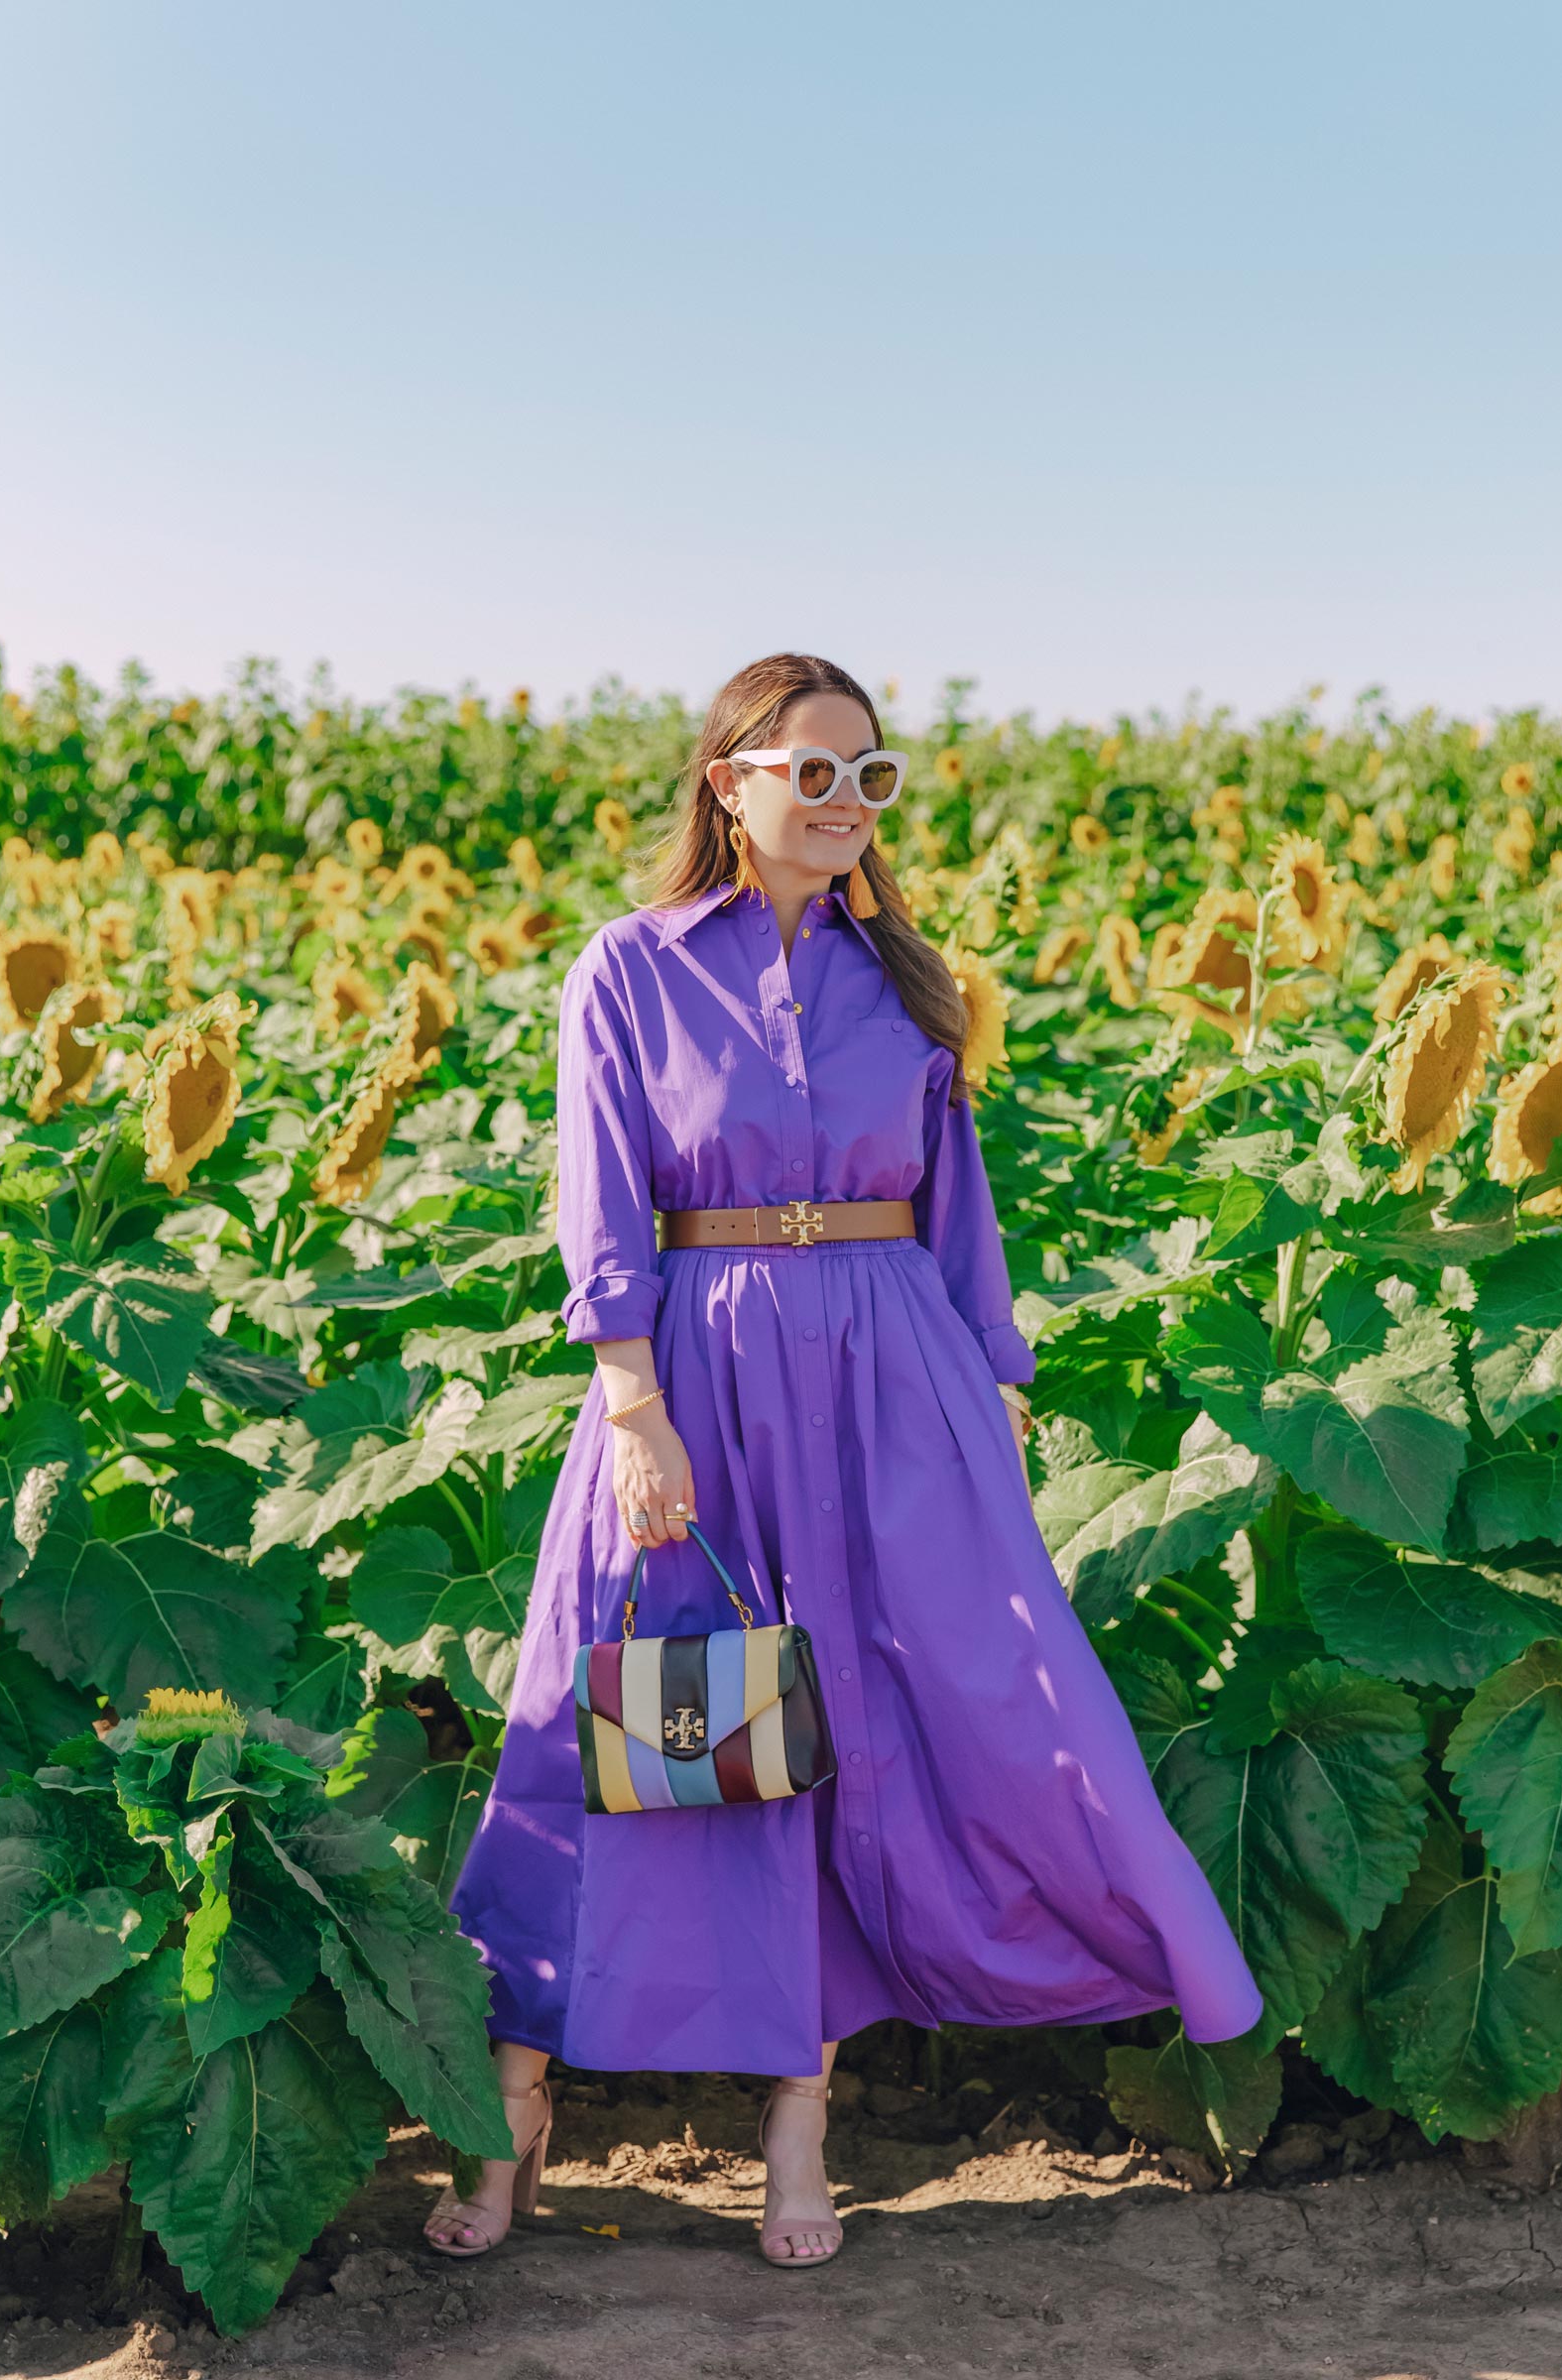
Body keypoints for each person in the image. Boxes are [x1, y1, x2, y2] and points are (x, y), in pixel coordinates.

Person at [427, 653, 1263, 2269]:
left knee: (864, 1725)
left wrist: (992, 1392)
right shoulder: (630, 969)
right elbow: (602, 1198)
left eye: (868, 778)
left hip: (896, 1374)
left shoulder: (915, 984)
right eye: (810, 773)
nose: (843, 804)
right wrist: (631, 1405)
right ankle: (507, 2111)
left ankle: (798, 2131)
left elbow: (962, 1213)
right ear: (728, 784)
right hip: (694, 1372)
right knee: (614, 1717)